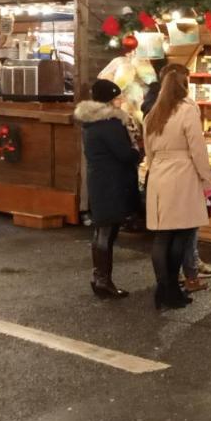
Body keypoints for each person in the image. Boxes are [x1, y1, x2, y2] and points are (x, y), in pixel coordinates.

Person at [143, 68, 211, 310]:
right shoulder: (187, 110)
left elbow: (148, 151)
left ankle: (164, 289)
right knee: (182, 235)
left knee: (163, 235)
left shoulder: (153, 114)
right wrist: (207, 180)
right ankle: (170, 290)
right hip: (183, 174)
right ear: (185, 86)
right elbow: (198, 148)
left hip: (159, 175)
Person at [75, 79, 140, 299]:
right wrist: (137, 153)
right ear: (110, 100)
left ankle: (100, 278)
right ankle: (102, 280)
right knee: (106, 231)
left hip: (100, 182)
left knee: (103, 230)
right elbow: (125, 154)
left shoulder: (90, 122)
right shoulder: (110, 124)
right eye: (118, 97)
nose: (121, 100)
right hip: (112, 183)